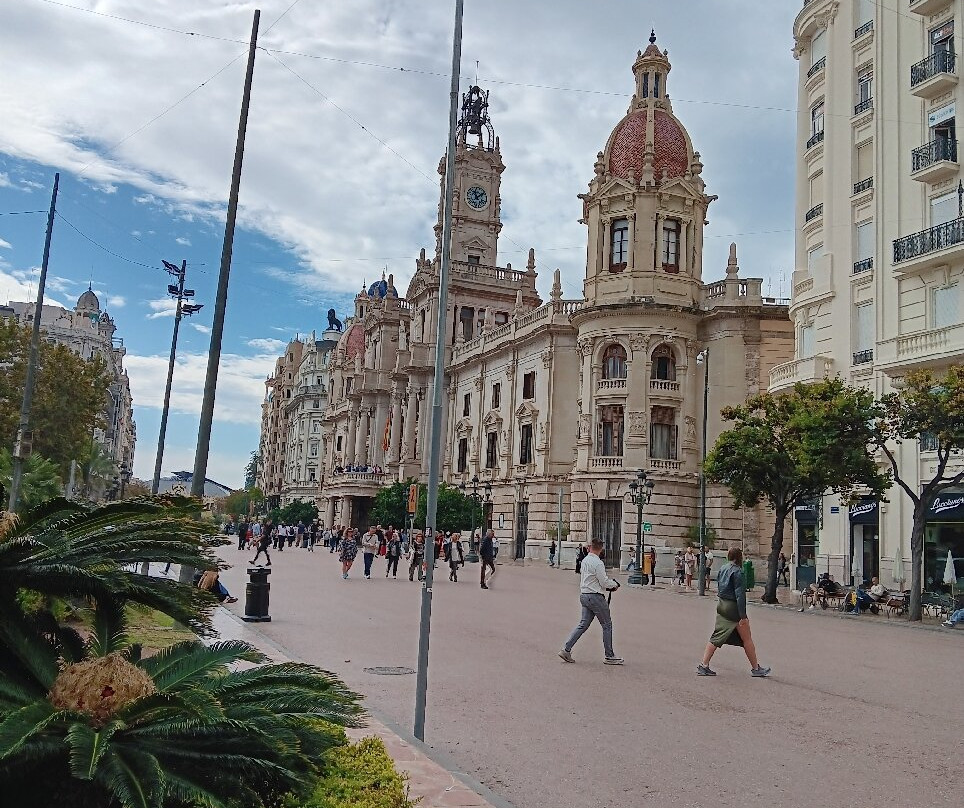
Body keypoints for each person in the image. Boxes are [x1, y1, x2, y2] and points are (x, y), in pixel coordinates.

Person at [697, 547, 770, 677]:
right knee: (747, 639)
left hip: (722, 604)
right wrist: (743, 616)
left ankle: (704, 664)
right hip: (733, 607)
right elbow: (740, 595)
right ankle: (755, 668)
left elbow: (719, 585)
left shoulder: (723, 568)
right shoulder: (738, 571)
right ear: (738, 557)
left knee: (716, 636)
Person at [558, 537, 623, 665]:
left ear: (590, 547)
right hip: (595, 597)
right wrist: (614, 585)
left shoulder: (585, 560)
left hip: (584, 595)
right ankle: (609, 656)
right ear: (601, 548)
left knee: (583, 624)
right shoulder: (598, 563)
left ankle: (566, 649)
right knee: (607, 625)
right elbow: (604, 582)